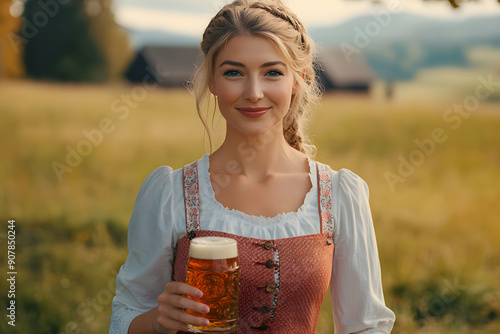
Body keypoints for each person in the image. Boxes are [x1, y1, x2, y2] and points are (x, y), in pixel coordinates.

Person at [110, 0, 396, 333]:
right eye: (234, 72)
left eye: (272, 72)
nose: (254, 92)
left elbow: (366, 326)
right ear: (213, 81)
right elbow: (125, 315)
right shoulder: (170, 194)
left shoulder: (338, 195)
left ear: (297, 80)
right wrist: (158, 322)